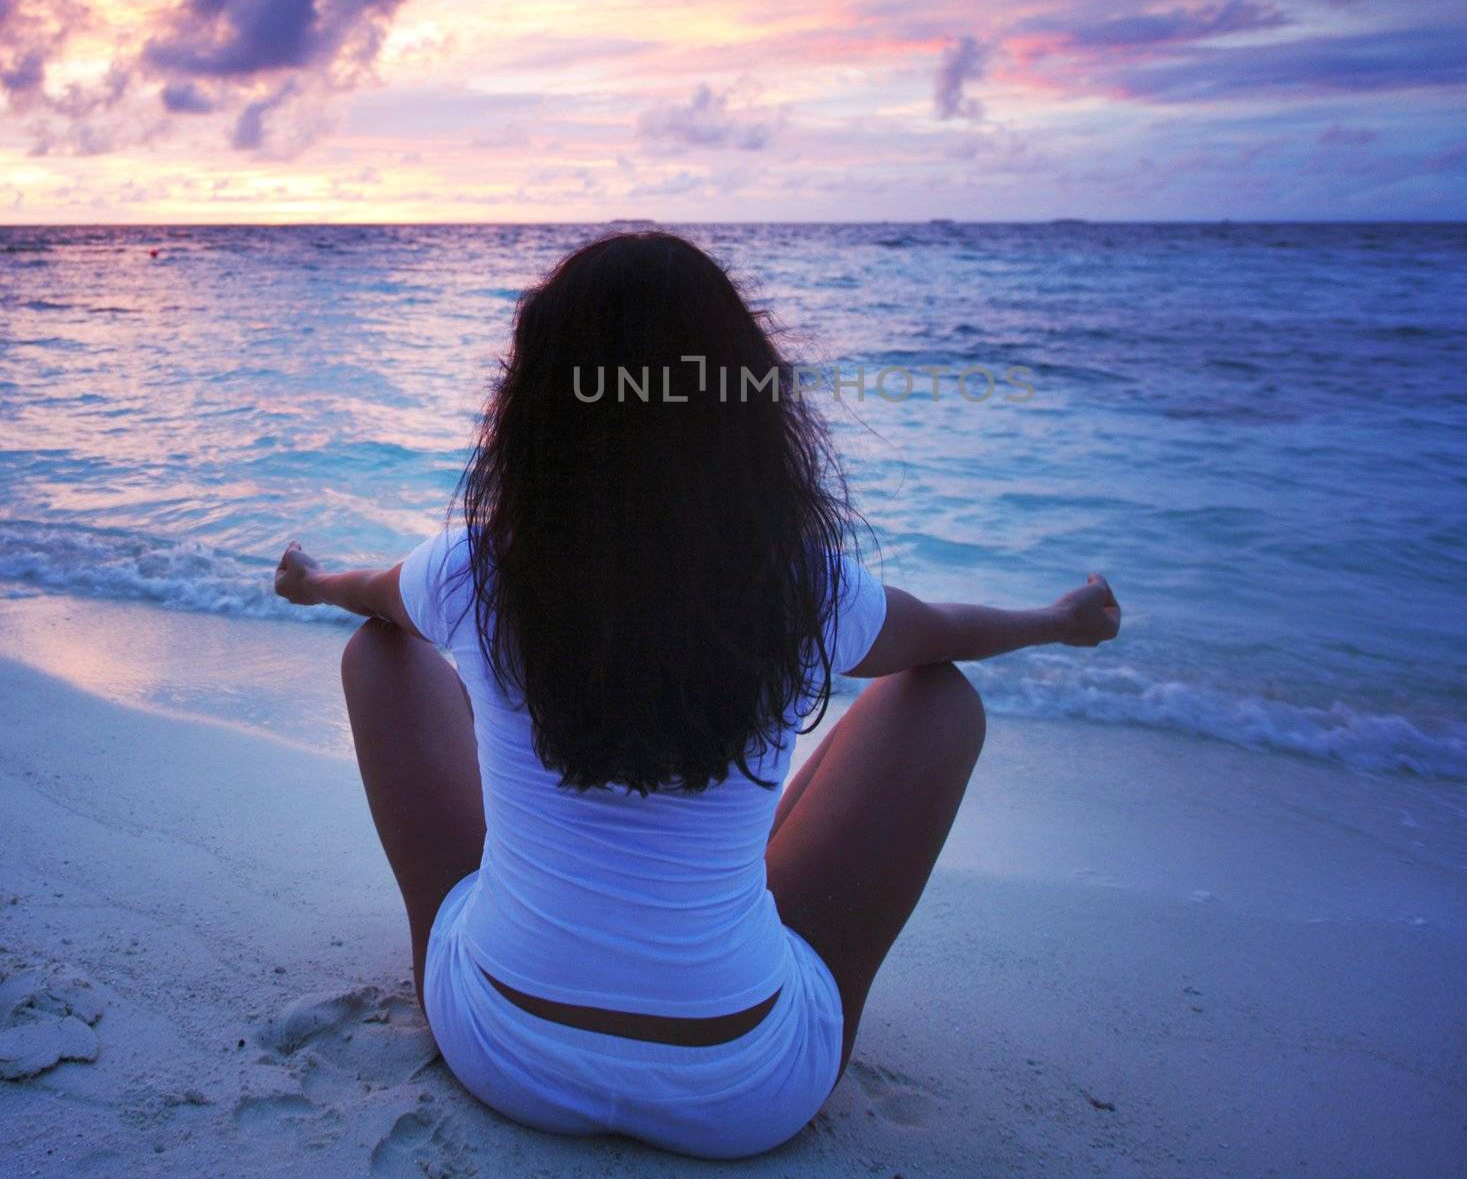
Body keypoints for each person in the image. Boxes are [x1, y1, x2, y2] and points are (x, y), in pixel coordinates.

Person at [274, 231, 1120, 1159]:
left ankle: (497, 948)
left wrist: (310, 582)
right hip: (745, 1091)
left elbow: (370, 590)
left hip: (499, 1049)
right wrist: (1057, 619)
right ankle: (728, 966)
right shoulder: (805, 589)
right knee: (941, 699)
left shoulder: (478, 570)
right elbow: (949, 634)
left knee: (378, 649)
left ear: (532, 407)